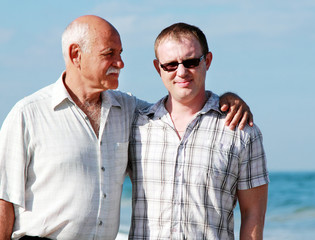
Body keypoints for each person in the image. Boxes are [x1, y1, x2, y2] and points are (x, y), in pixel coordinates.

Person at [0, 16, 253, 240]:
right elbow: (4, 200)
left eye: (121, 53)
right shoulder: (28, 114)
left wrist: (227, 99)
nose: (120, 63)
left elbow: (180, 105)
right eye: (109, 53)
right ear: (76, 54)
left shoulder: (131, 111)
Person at [128, 23, 269, 240]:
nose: (182, 72)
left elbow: (253, 216)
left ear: (208, 61)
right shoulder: (135, 127)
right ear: (158, 68)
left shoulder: (241, 130)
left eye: (191, 61)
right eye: (171, 65)